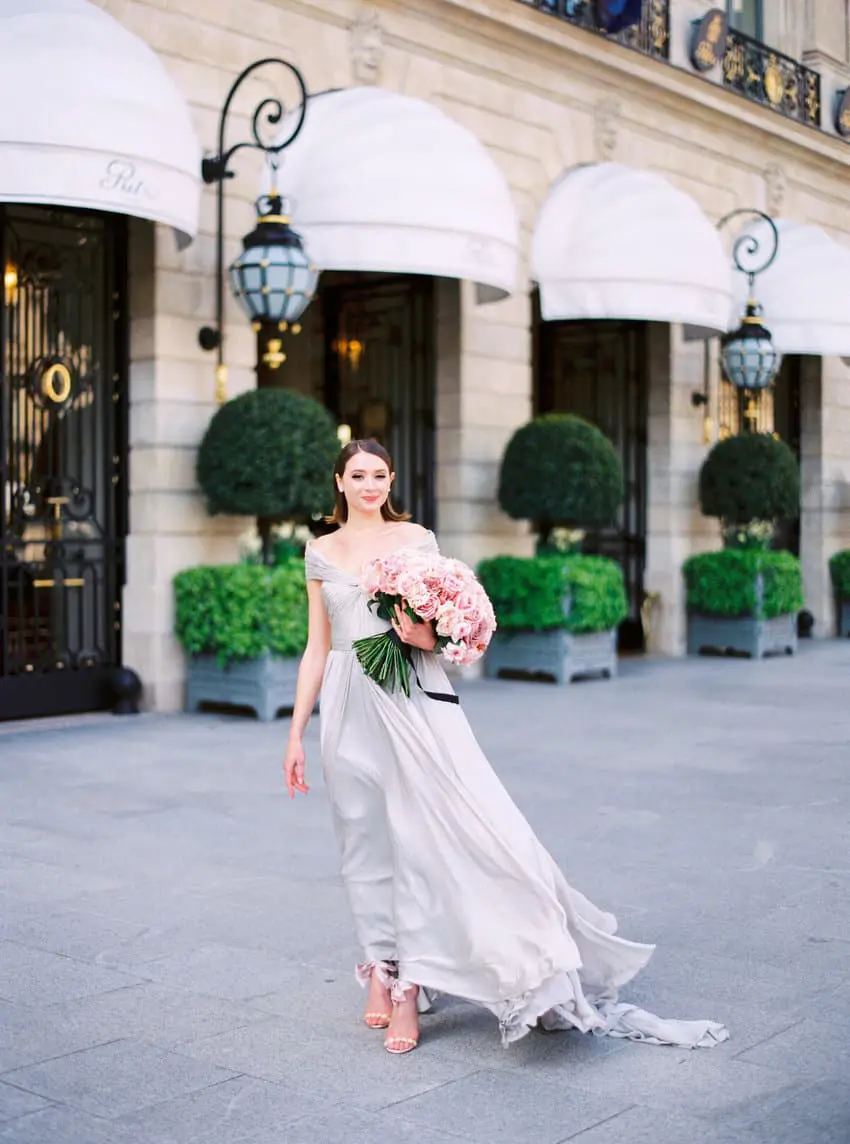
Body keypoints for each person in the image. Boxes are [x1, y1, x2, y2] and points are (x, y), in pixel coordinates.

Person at [283, 439, 728, 1055]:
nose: (369, 485)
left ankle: (410, 987)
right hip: (346, 702)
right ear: (339, 481)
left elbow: (443, 632)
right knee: (362, 841)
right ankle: (379, 969)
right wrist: (296, 732)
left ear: (391, 480)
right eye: (357, 475)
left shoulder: (417, 541)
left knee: (419, 839)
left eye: (379, 474)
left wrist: (426, 636)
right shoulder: (320, 551)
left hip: (410, 697)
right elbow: (316, 647)